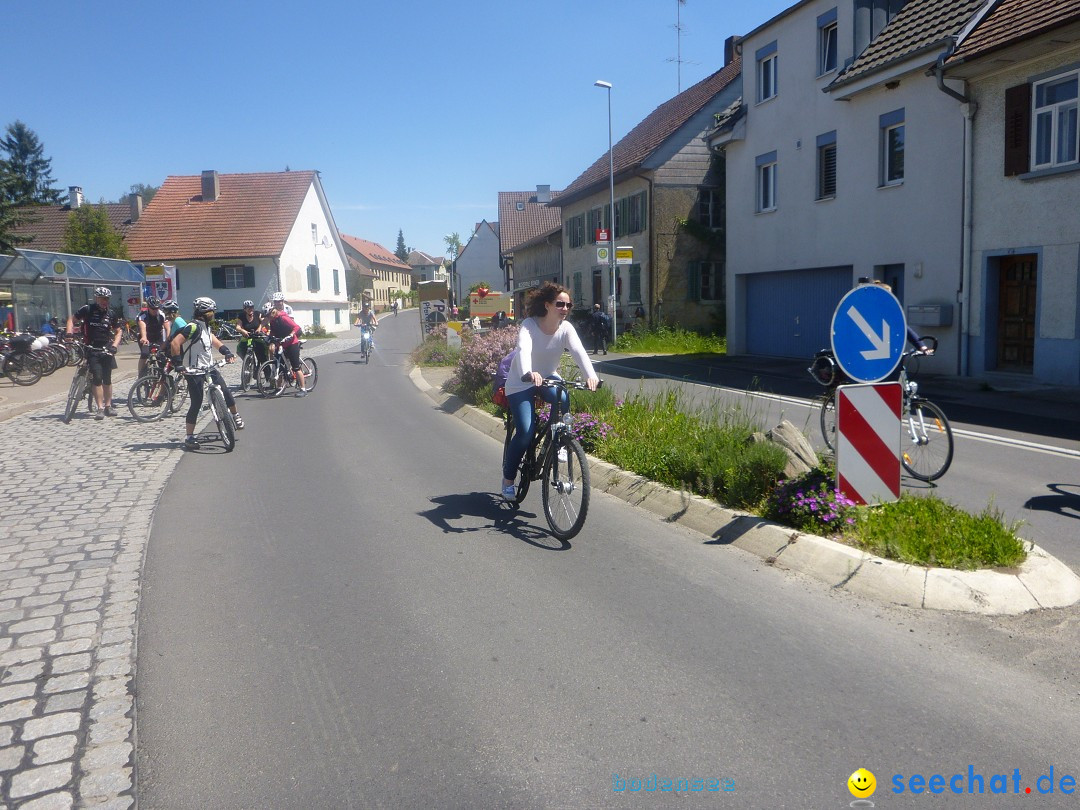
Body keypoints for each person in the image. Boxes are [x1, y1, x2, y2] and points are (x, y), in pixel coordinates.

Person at [501, 282, 599, 499]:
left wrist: (591, 376)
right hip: (521, 381)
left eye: (568, 305)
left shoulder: (566, 328)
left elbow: (579, 352)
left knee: (562, 395)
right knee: (526, 432)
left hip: (547, 377)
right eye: (560, 304)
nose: (565, 308)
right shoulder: (529, 324)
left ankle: (559, 442)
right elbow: (523, 349)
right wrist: (528, 372)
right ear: (547, 305)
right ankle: (508, 479)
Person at [169, 297, 243, 449]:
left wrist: (226, 352)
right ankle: (189, 437)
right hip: (193, 370)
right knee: (196, 402)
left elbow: (213, 340)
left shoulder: (205, 326)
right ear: (203, 312)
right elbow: (175, 343)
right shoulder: (192, 327)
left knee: (226, 392)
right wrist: (178, 365)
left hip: (208, 367)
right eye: (211, 311)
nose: (214, 313)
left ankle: (235, 416)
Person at [66, 287, 122, 418]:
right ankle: (100, 408)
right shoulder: (87, 309)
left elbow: (119, 331)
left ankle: (108, 406)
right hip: (91, 348)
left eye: (107, 299)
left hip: (106, 348)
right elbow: (71, 320)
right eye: (102, 299)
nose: (105, 301)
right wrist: (69, 334)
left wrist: (114, 345)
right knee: (97, 378)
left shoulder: (111, 314)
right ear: (97, 298)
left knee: (107, 379)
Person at [267, 298, 307, 395]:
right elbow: (273, 332)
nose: (268, 318)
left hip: (291, 343)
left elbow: (296, 327)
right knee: (279, 366)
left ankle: (303, 389)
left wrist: (291, 335)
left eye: (268, 315)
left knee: (296, 367)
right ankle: (279, 387)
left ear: (273, 313)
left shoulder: (283, 317)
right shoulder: (272, 321)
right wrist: (269, 338)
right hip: (281, 344)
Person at [136, 297, 167, 376]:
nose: (155, 310)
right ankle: (140, 375)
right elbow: (143, 327)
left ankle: (162, 374)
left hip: (157, 336)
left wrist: (165, 340)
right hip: (146, 336)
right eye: (152, 308)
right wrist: (144, 337)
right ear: (148, 307)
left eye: (156, 308)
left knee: (161, 355)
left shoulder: (161, 314)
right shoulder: (142, 315)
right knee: (145, 354)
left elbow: (165, 328)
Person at [235, 299, 268, 368]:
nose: (250, 309)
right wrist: (243, 331)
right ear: (245, 309)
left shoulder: (257, 314)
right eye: (248, 307)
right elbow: (238, 327)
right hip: (247, 337)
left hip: (257, 337)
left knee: (262, 356)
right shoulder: (241, 316)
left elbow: (264, 321)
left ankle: (267, 373)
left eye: (252, 307)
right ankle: (248, 362)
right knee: (240, 349)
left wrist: (260, 328)